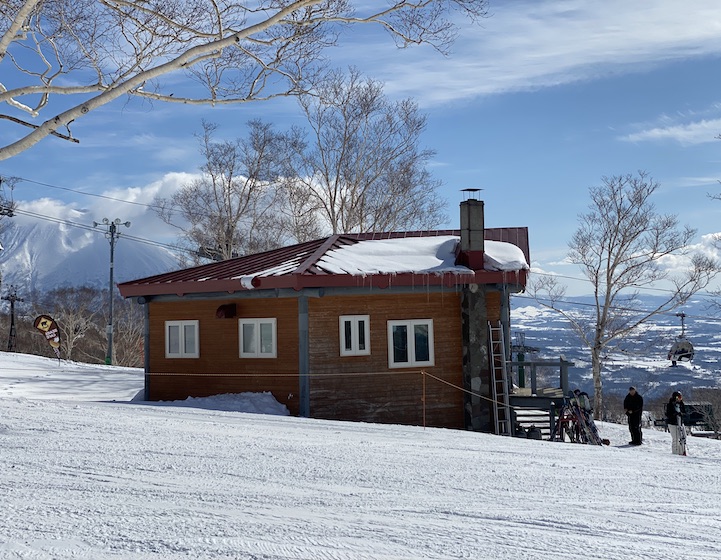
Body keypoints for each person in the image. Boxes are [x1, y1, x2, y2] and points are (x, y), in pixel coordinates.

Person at [666, 391, 687, 455]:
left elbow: (684, 412)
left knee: (683, 437)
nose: (680, 399)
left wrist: (681, 414)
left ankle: (682, 451)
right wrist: (674, 414)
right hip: (673, 423)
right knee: (675, 438)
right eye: (678, 397)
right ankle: (675, 452)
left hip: (680, 422)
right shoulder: (670, 405)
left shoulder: (681, 404)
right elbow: (668, 414)